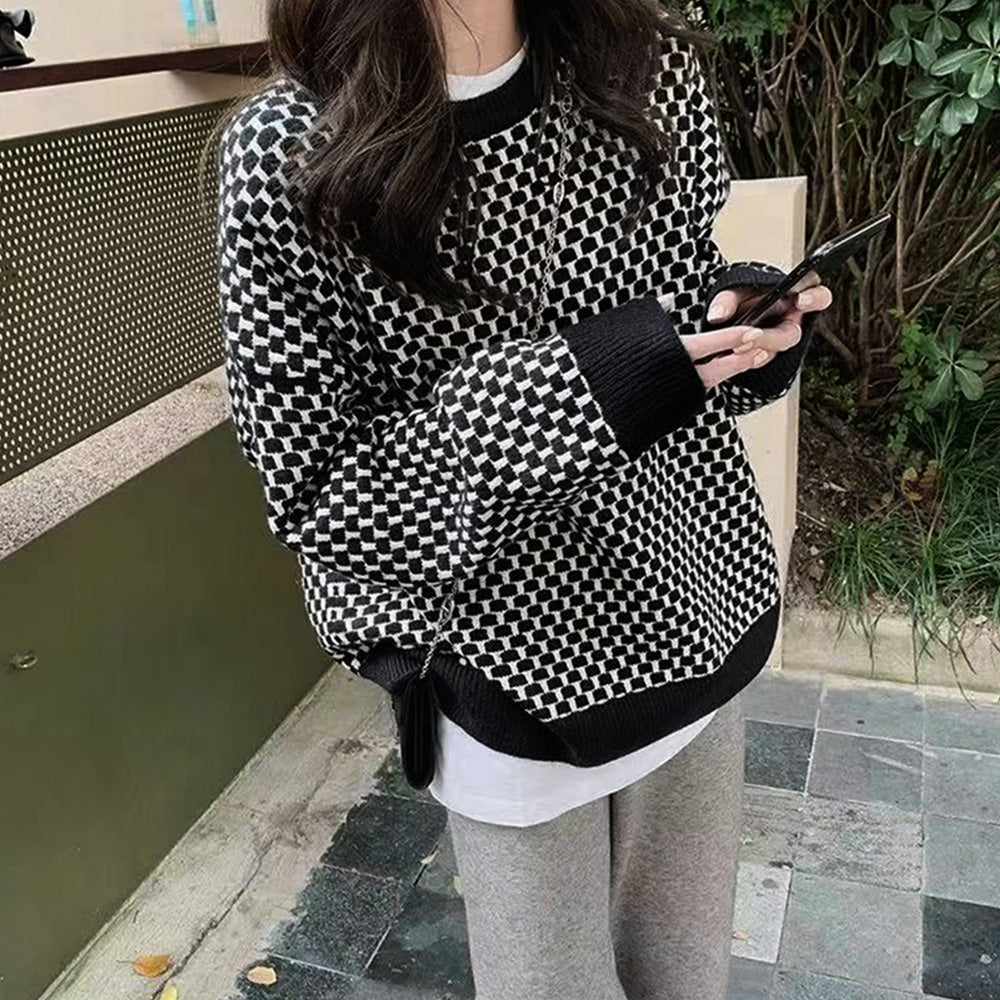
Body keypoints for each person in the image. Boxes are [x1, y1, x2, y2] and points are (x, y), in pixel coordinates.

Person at [215, 1, 833, 998]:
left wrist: (742, 330)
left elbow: (673, 304)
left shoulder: (646, 65)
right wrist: (594, 385)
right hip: (499, 667)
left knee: (686, 979)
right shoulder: (289, 152)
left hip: (693, 600)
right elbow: (320, 490)